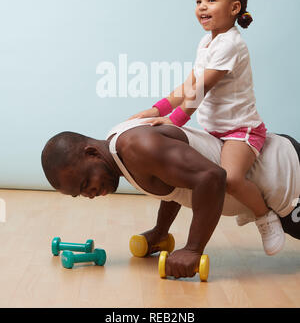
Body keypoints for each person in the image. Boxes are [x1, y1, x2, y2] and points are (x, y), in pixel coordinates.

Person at [129, 0, 284, 255]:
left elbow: (202, 88)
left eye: (211, 0)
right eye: (198, 0)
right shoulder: (207, 43)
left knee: (232, 178)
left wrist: (175, 119)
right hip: (213, 131)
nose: (202, 6)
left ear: (234, 8)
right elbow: (189, 84)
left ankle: (264, 215)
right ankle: (161, 232)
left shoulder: (230, 44)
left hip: (241, 130)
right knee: (179, 171)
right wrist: (156, 109)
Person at [41, 118, 300, 279]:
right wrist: (160, 231)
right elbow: (176, 182)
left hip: (287, 177)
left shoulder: (136, 148)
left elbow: (211, 178)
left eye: (86, 183)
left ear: (91, 153)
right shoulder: (119, 151)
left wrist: (193, 249)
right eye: (80, 193)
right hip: (277, 180)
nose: (90, 194)